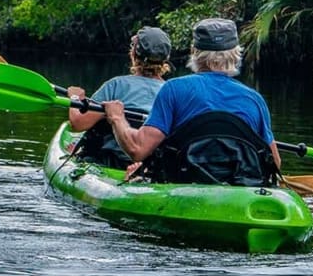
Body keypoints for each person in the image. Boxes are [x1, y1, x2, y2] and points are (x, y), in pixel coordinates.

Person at [103, 18, 282, 185]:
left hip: (182, 184)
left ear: (194, 52)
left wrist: (117, 118)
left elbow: (138, 149)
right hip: (242, 187)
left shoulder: (173, 89)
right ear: (236, 54)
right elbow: (274, 162)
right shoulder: (255, 99)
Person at [66, 26, 173, 168]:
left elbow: (78, 124)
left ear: (133, 54)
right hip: (152, 166)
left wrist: (74, 98)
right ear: (165, 60)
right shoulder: (172, 92)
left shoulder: (116, 85)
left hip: (112, 162)